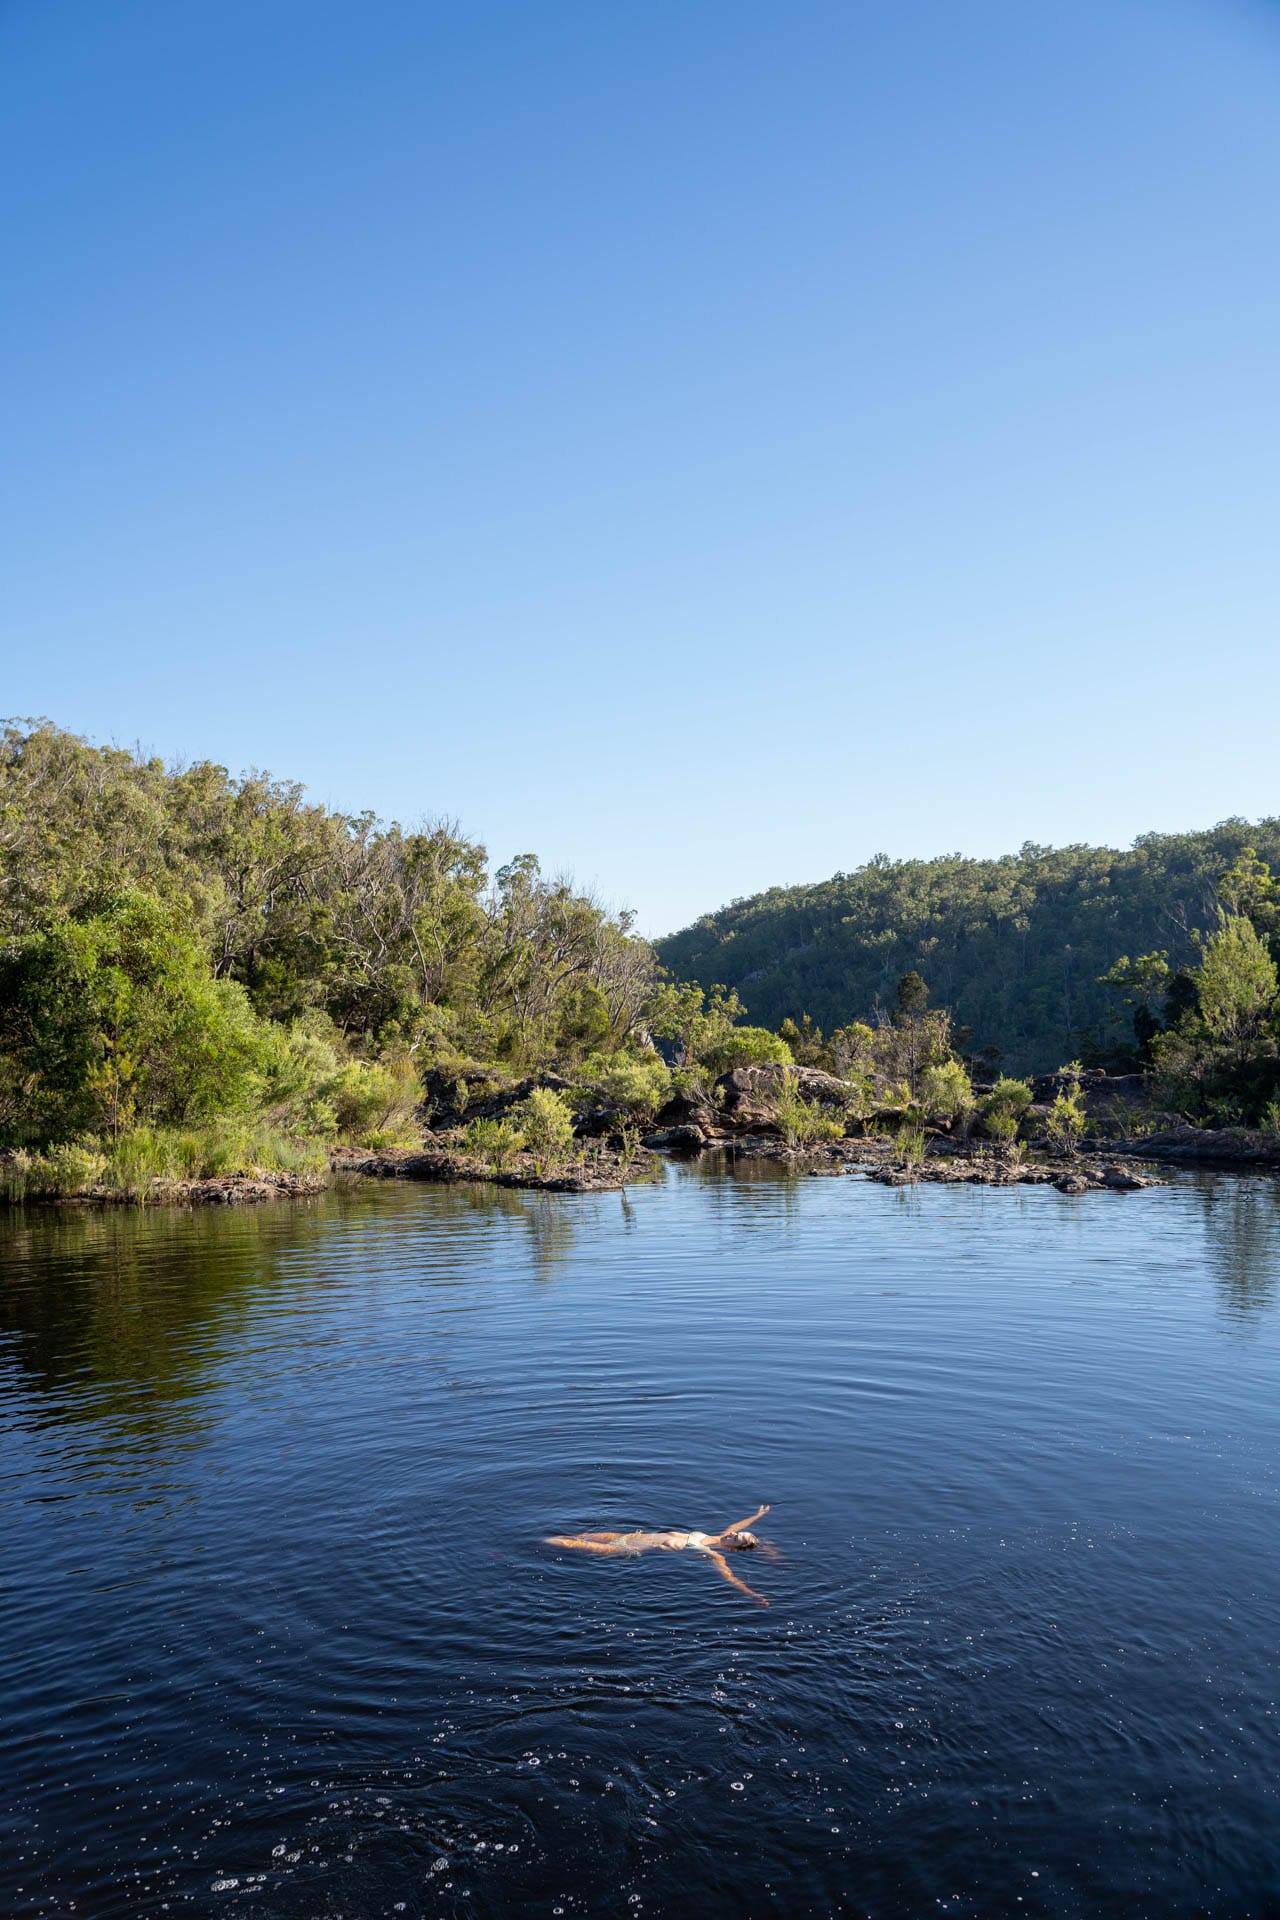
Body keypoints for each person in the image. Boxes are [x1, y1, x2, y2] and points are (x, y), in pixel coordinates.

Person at [546, 1504, 772, 1605]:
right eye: (736, 1533)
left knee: (557, 1541)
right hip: (627, 1535)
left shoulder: (714, 1554)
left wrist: (751, 1595)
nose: (732, 1533)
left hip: (625, 1548)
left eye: (736, 1538)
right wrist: (757, 1515)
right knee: (576, 1535)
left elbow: (729, 1577)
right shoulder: (715, 1536)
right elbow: (736, 1523)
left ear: (734, 1549)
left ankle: (527, 1548)